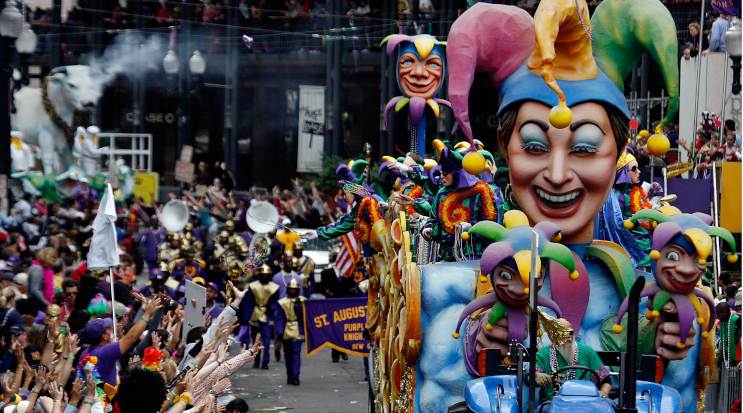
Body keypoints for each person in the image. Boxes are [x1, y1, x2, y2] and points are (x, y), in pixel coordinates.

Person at [78, 293, 165, 386]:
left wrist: (117, 340)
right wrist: (148, 314)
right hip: (104, 399)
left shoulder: (85, 353)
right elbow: (131, 338)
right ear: (104, 336)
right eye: (109, 328)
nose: (112, 328)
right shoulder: (105, 352)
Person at [535, 318, 611, 404]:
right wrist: (537, 375)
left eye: (570, 332)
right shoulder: (543, 354)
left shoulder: (587, 352)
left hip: (587, 402)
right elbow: (530, 378)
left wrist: (604, 392)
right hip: (553, 402)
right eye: (563, 332)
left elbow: (605, 380)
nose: (568, 336)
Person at [242, 264, 279, 369]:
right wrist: (246, 317)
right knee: (256, 341)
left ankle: (265, 362)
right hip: (255, 314)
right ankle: (257, 361)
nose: (264, 276)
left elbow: (277, 301)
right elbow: (247, 302)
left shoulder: (274, 287)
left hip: (268, 316)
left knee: (266, 341)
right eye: (263, 274)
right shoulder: (253, 286)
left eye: (266, 274)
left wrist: (272, 308)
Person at [274, 278, 306, 385]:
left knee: (296, 354)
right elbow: (279, 318)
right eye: (291, 289)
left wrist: (298, 307)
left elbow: (306, 317)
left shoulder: (303, 301)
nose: (293, 291)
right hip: (286, 329)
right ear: (288, 290)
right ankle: (290, 376)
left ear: (298, 290)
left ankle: (296, 376)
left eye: (295, 289)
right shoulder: (282, 302)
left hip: (298, 329)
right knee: (287, 355)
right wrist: (279, 331)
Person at [27, 247, 56, 314]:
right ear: (47, 258)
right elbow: (34, 290)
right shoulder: (37, 269)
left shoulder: (42, 269)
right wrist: (47, 304)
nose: (54, 264)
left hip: (38, 303)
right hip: (35, 304)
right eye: (53, 260)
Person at [717, 302, 741, 367]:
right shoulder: (723, 322)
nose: (717, 317)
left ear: (724, 313)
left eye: (718, 315)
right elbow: (723, 340)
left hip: (739, 359)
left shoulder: (736, 320)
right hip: (730, 358)